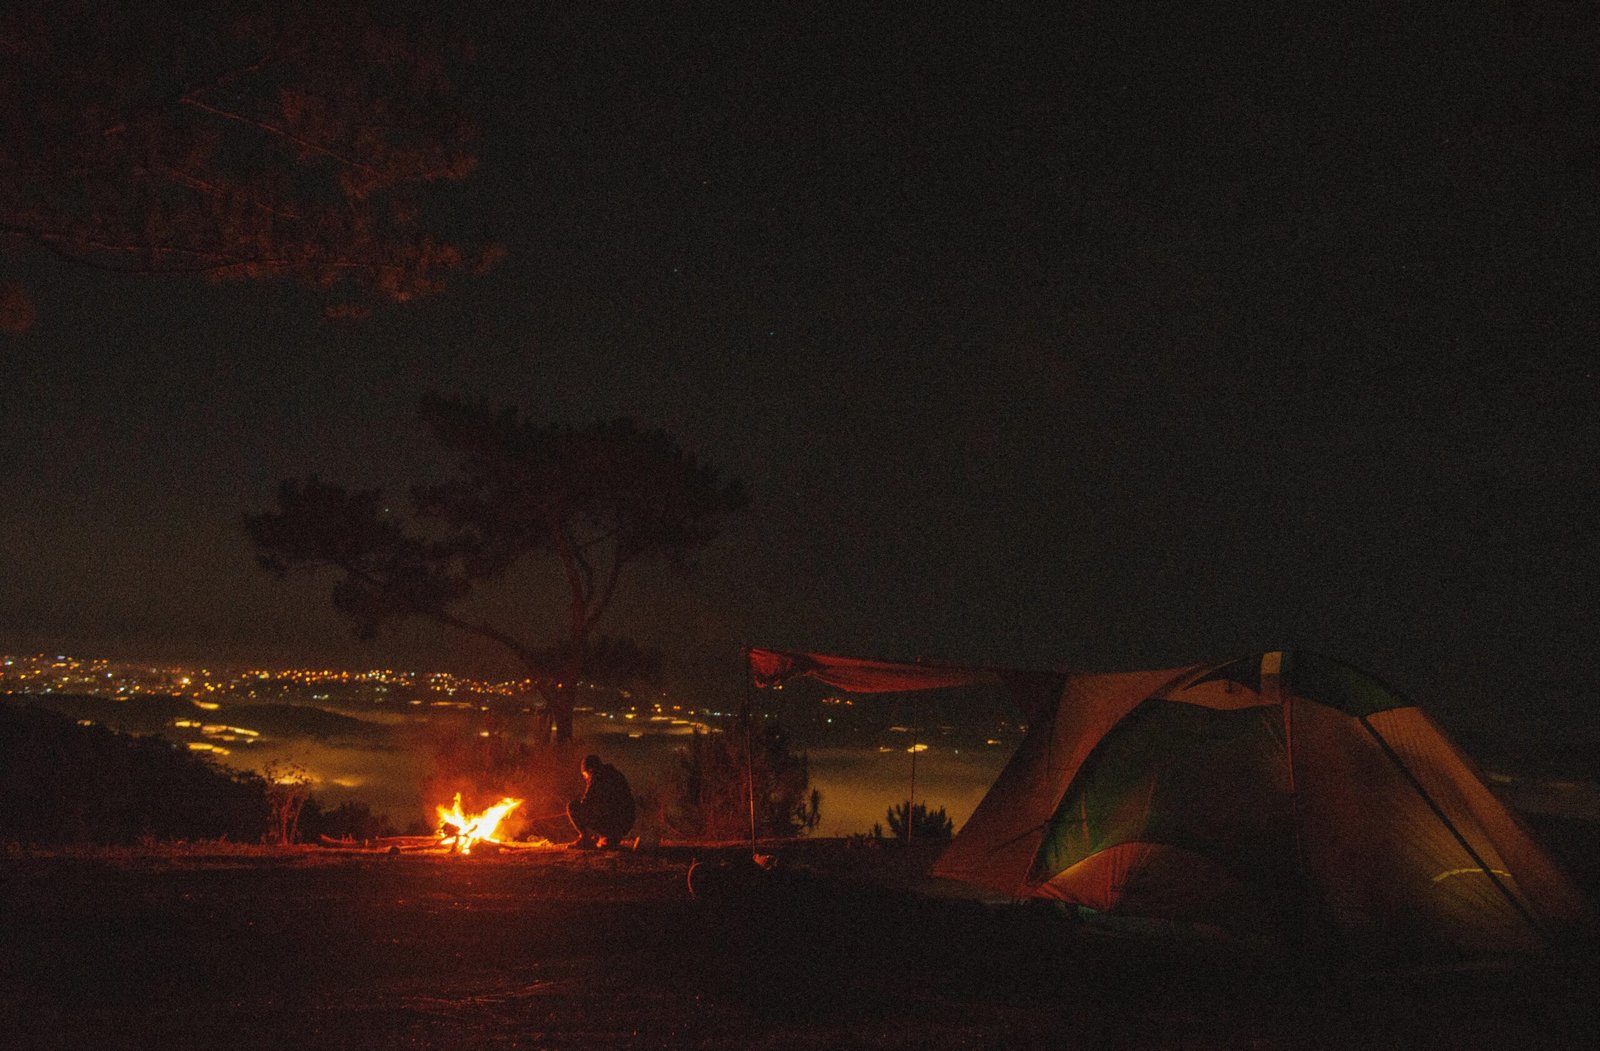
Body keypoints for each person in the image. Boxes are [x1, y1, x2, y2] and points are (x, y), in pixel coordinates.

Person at [566, 753, 636, 849]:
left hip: (614, 821)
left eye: (585, 774)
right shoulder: (615, 774)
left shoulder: (596, 777)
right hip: (626, 822)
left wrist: (575, 812)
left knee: (573, 806)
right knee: (602, 812)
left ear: (590, 770)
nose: (585, 778)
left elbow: (587, 803)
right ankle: (610, 838)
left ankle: (586, 839)